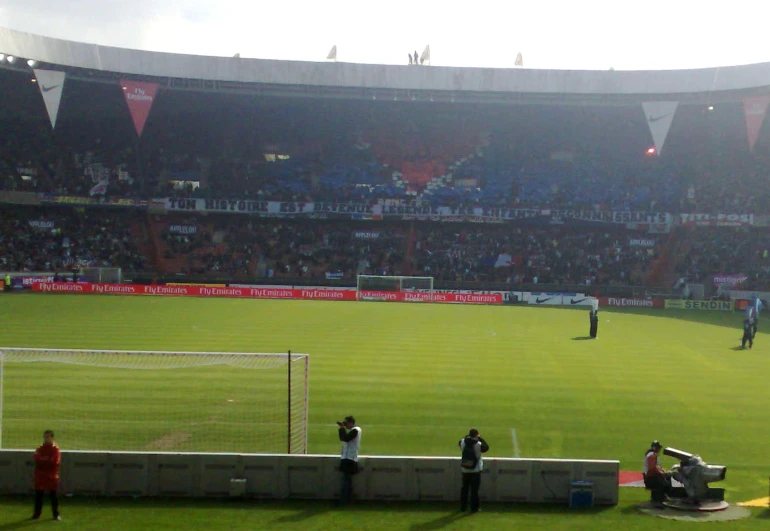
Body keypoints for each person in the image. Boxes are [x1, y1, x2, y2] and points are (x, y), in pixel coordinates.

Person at [32, 430, 61, 521]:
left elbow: (54, 462)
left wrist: (43, 461)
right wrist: (45, 461)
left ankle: (55, 514)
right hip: (40, 475)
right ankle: (37, 514)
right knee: (38, 496)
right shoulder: (39, 448)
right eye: (45, 437)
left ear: (52, 438)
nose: (46, 439)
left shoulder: (55, 449)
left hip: (51, 476)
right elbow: (37, 460)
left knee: (53, 496)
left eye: (48, 437)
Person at [459, 428, 489, 513]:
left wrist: (467, 437)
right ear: (476, 435)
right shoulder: (478, 444)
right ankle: (474, 508)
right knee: (474, 490)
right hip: (476, 470)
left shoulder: (462, 442)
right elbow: (486, 447)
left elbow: (461, 442)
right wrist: (479, 438)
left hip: (465, 469)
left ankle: (463, 507)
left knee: (464, 489)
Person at [337, 416, 361, 505]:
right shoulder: (353, 431)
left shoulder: (356, 430)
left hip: (350, 459)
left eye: (346, 423)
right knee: (347, 480)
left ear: (351, 423)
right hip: (347, 458)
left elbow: (345, 438)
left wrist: (342, 428)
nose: (346, 425)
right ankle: (348, 500)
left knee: (346, 480)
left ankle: (345, 500)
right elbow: (343, 438)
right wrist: (342, 428)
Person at [642, 440, 671, 507]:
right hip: (650, 478)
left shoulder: (651, 454)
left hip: (650, 476)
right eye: (658, 448)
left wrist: (662, 471)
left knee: (666, 478)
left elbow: (655, 467)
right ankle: (658, 501)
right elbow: (652, 468)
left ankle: (660, 498)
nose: (659, 449)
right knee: (663, 483)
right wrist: (661, 473)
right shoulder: (652, 456)